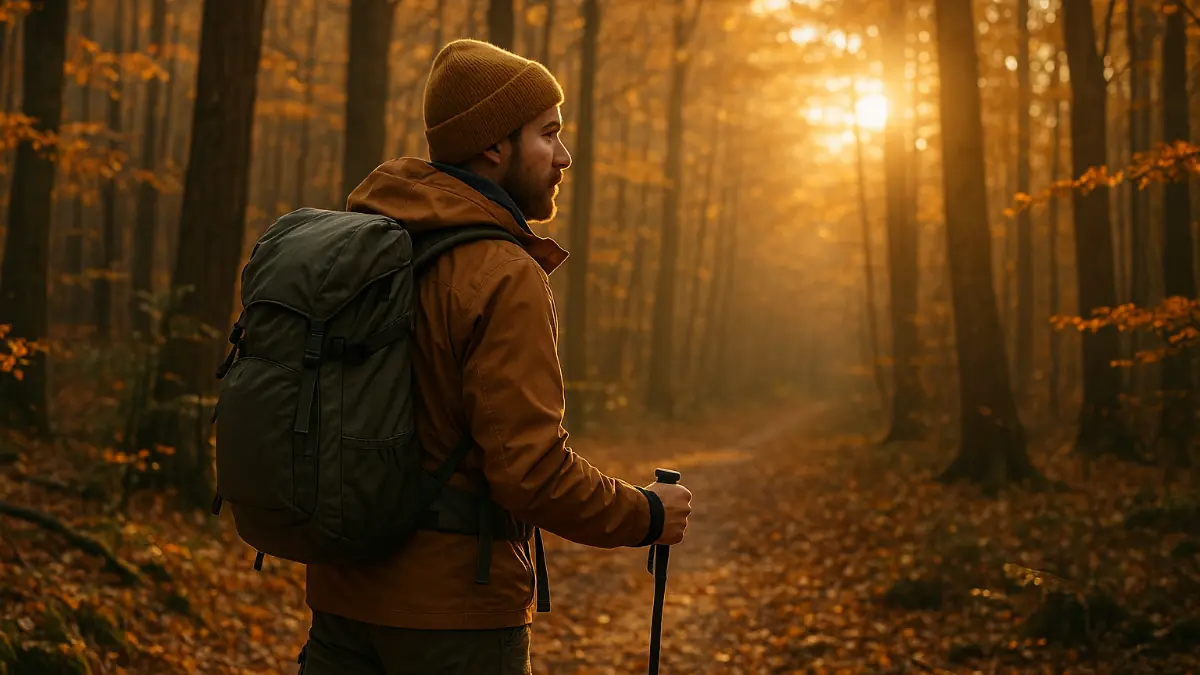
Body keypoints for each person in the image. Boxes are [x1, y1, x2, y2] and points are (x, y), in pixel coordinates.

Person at [297, 39, 693, 675]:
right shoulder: (501, 274)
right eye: (549, 134)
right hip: (455, 624)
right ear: (494, 146)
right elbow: (530, 472)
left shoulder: (376, 248)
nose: (564, 157)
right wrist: (644, 513)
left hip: (343, 601)